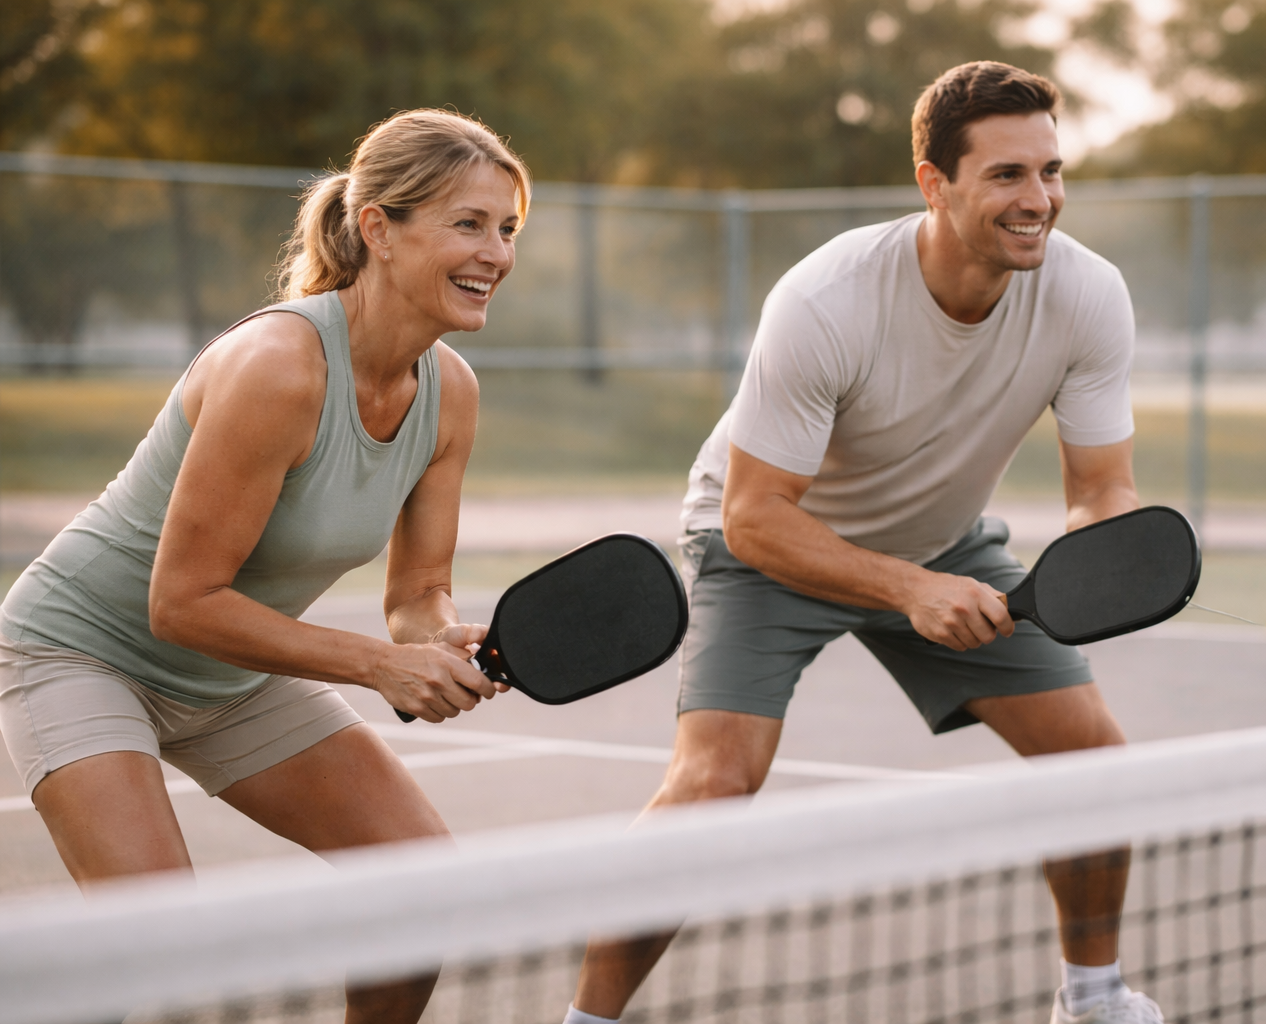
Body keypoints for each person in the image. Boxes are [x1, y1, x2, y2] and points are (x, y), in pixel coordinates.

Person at [565, 62, 1162, 1024]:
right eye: (1008, 175)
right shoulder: (830, 298)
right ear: (935, 183)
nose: (1040, 199)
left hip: (943, 542)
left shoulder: (1088, 294)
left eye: (1051, 171)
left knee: (1095, 765)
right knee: (714, 786)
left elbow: (1102, 490)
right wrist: (905, 589)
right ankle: (584, 1023)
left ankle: (1093, 1000)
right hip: (765, 545)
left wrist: (1101, 557)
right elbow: (755, 516)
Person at [0, 109, 528, 1024]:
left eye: (508, 228)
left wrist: (436, 637)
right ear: (379, 230)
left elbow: (415, 591)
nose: (496, 254)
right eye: (468, 224)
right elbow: (182, 604)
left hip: (232, 673)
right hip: (82, 654)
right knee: (159, 949)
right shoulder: (278, 366)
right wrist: (378, 663)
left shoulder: (452, 394)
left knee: (422, 895)